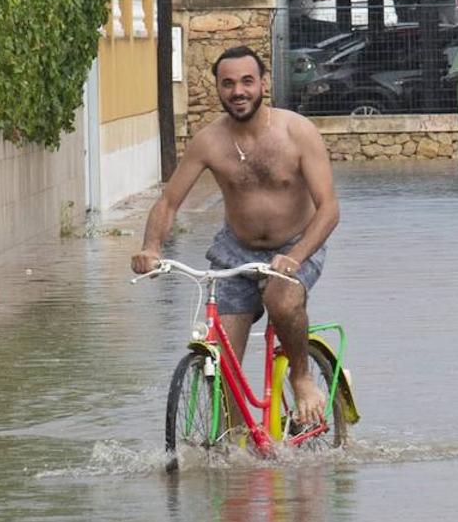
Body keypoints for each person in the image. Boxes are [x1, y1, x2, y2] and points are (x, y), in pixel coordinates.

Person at [131, 45, 340, 426]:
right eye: (228, 84)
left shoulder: (298, 132)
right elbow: (168, 201)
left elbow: (329, 209)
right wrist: (151, 247)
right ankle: (235, 439)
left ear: (263, 84)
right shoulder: (209, 141)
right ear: (218, 89)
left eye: (247, 81)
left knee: (282, 299)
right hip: (235, 250)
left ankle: (301, 376)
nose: (238, 91)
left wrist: (296, 257)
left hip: (295, 244)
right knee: (222, 355)